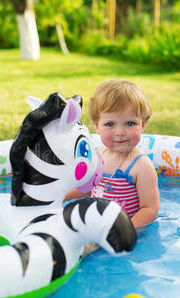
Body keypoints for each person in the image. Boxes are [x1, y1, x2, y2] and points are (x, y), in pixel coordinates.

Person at [65, 78, 159, 230]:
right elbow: (91, 188)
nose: (120, 132)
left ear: (142, 124)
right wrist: (65, 196)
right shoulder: (98, 155)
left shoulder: (141, 166)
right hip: (97, 221)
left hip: (126, 230)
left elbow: (150, 210)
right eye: (110, 124)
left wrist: (123, 229)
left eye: (130, 123)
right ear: (97, 126)